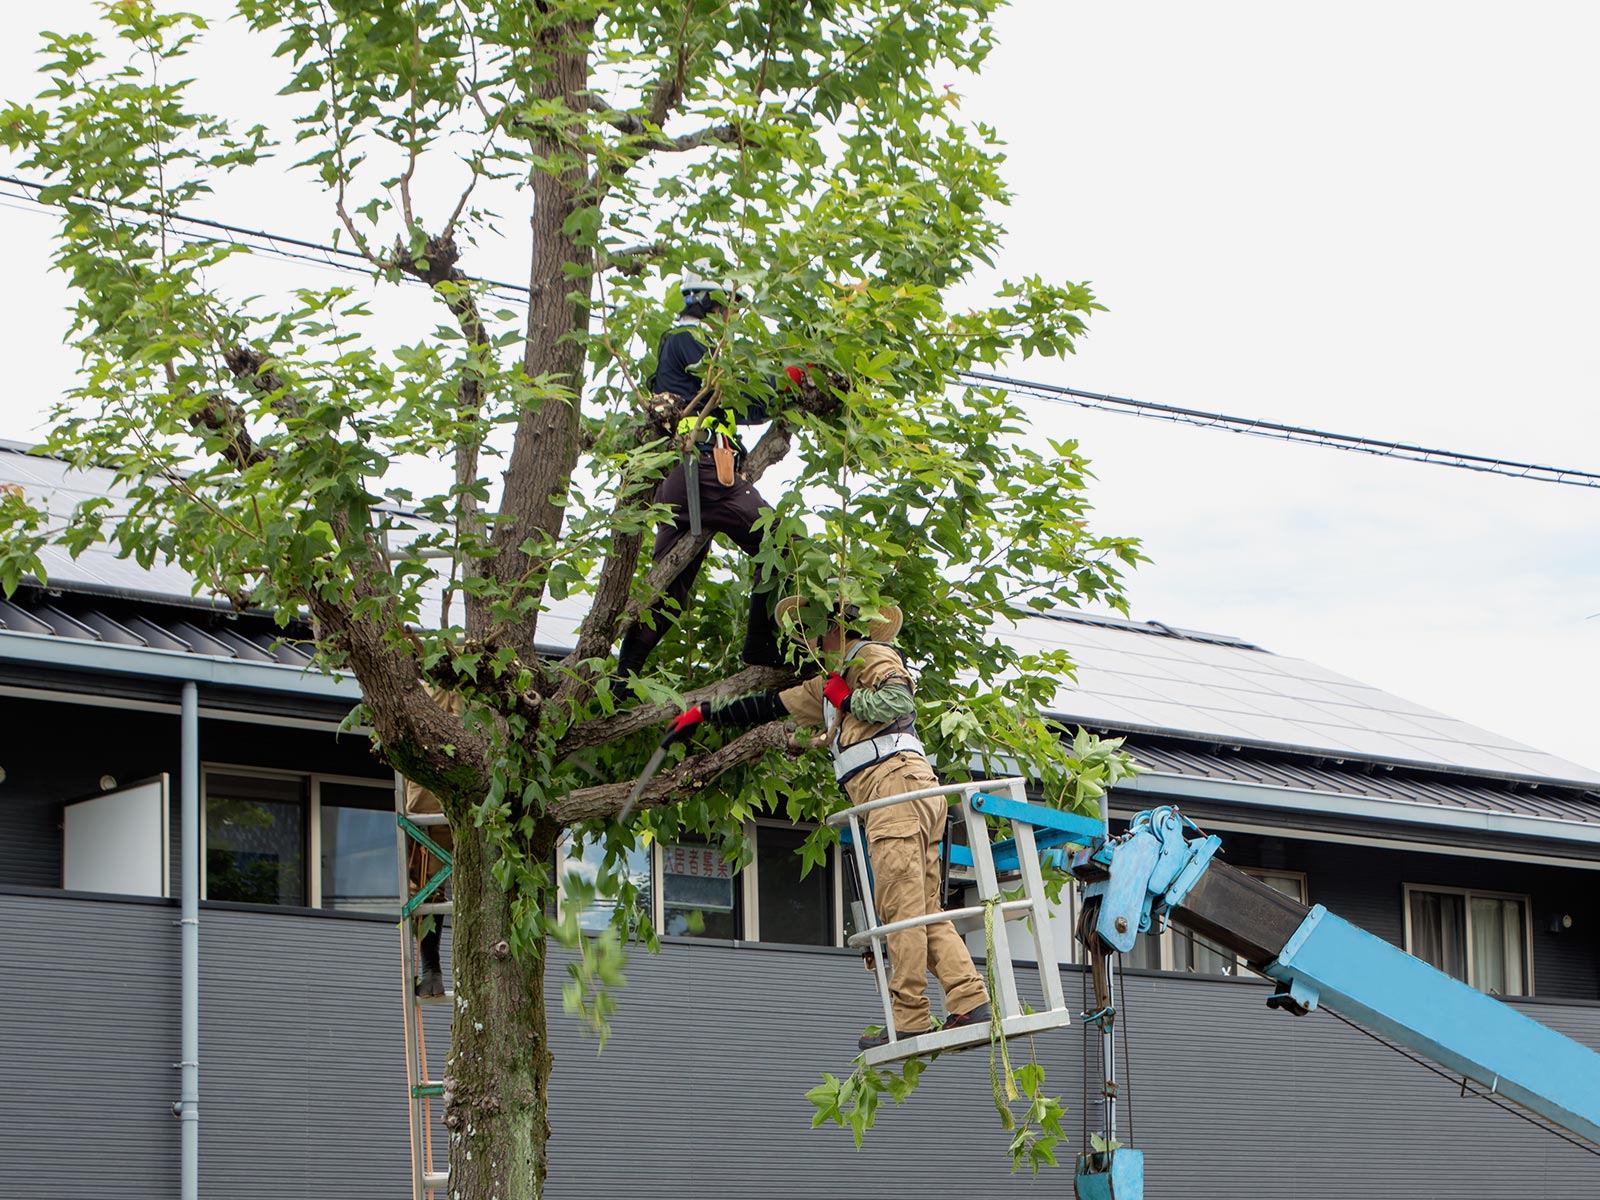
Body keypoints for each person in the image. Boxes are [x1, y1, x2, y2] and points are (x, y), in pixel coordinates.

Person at [659, 593, 990, 1050]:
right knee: (923, 908)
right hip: (899, 789)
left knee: (900, 909)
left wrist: (849, 696)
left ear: (833, 626)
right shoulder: (828, 685)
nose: (806, 640)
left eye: (811, 630)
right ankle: (969, 999)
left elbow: (896, 701)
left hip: (893, 786)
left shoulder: (871, 656)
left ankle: (910, 1017)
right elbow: (767, 706)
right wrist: (701, 714)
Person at [614, 263, 804, 683]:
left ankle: (621, 680)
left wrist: (782, 392)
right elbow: (735, 385)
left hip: (683, 480)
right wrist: (784, 377)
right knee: (782, 543)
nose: (732, 318)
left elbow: (747, 406)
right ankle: (760, 642)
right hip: (704, 471)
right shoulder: (688, 339)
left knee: (667, 591)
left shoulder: (686, 350)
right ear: (707, 304)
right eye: (729, 307)